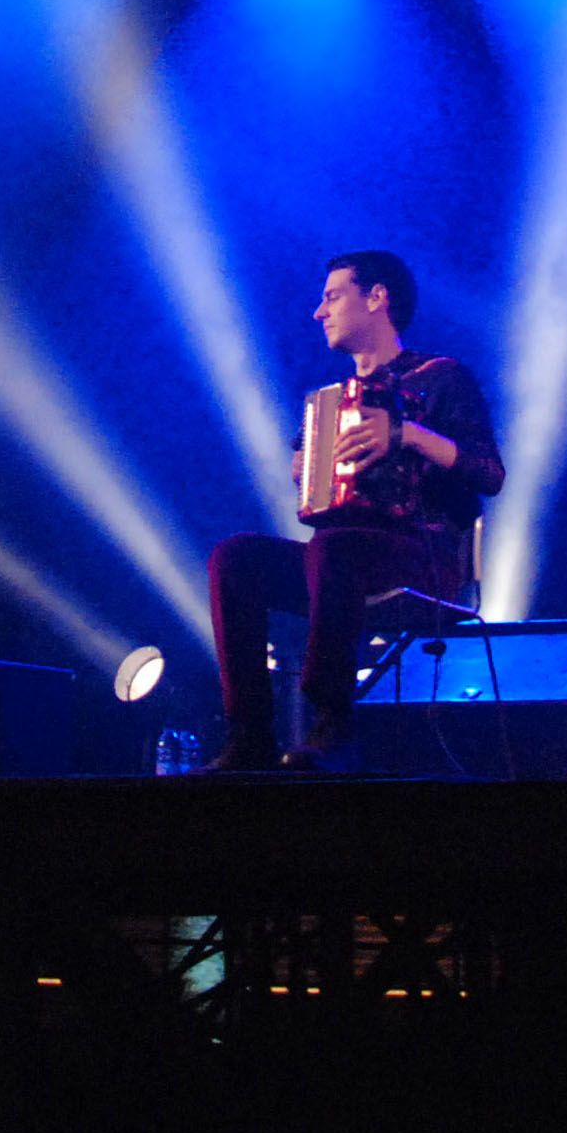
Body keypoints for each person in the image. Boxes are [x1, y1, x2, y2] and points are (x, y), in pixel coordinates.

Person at [206, 251, 506, 771]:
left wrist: (407, 434)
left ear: (376, 298)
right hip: (340, 561)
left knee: (335, 546)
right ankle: (250, 732)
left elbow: (490, 474)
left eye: (332, 296)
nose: (319, 312)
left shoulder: (441, 378)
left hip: (423, 557)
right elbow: (312, 483)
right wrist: (304, 468)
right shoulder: (329, 403)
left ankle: (336, 719)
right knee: (235, 559)